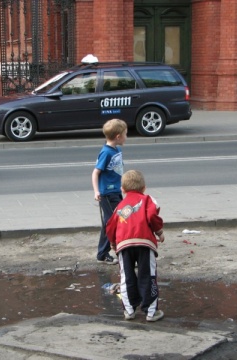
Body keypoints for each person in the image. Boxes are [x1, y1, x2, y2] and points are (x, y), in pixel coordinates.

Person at [106, 170, 165, 322]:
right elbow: (153, 216)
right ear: (144, 188)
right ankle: (151, 312)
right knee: (148, 275)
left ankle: (129, 311)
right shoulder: (147, 200)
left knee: (127, 277)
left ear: (123, 189)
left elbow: (110, 226)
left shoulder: (119, 206)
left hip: (124, 245)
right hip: (145, 242)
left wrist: (113, 243)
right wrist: (159, 232)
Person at [91, 118, 127, 265]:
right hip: (107, 194)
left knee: (116, 219)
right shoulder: (105, 153)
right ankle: (103, 253)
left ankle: (115, 248)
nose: (127, 137)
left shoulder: (117, 150)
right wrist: (96, 191)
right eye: (125, 134)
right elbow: (95, 173)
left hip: (116, 191)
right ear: (118, 136)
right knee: (111, 222)